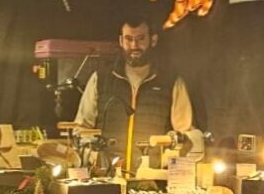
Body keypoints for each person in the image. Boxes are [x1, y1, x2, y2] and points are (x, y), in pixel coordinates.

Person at [74, 13, 203, 175]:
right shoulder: (100, 78)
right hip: (106, 177)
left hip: (152, 178)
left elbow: (185, 134)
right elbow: (81, 128)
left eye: (141, 39)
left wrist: (166, 162)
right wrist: (94, 158)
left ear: (153, 40)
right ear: (121, 41)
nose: (134, 45)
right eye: (128, 39)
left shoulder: (170, 81)